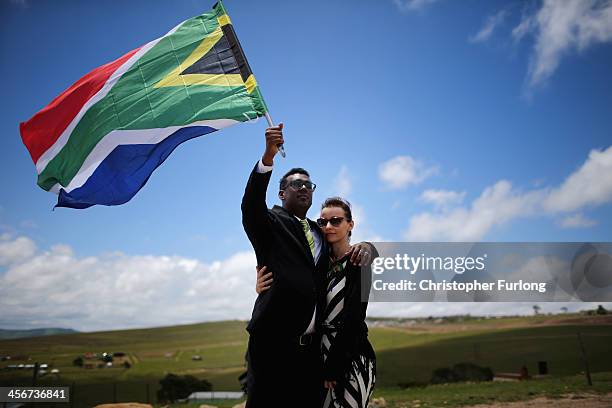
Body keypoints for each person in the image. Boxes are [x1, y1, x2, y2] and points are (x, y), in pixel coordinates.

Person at [241, 123, 373, 407]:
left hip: (311, 352)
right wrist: (267, 159)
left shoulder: (320, 231)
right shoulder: (269, 223)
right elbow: (250, 207)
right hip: (272, 345)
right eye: (295, 184)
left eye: (308, 184)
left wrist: (368, 247)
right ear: (281, 193)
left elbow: (344, 249)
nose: (303, 188)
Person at [257, 197, 377, 408]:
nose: (329, 226)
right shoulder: (318, 265)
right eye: (323, 222)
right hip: (317, 357)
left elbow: (354, 317)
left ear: (350, 224)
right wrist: (263, 287)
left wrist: (335, 365)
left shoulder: (359, 262)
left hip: (350, 355)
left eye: (336, 221)